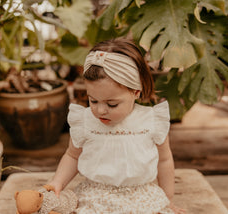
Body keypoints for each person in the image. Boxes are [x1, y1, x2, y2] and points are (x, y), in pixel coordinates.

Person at [48, 38, 185, 214]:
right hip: (95, 197)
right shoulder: (85, 120)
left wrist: (168, 200)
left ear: (136, 92)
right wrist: (57, 182)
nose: (100, 110)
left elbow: (165, 160)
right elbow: (73, 156)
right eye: (93, 100)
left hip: (140, 196)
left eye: (111, 104)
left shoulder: (151, 121)